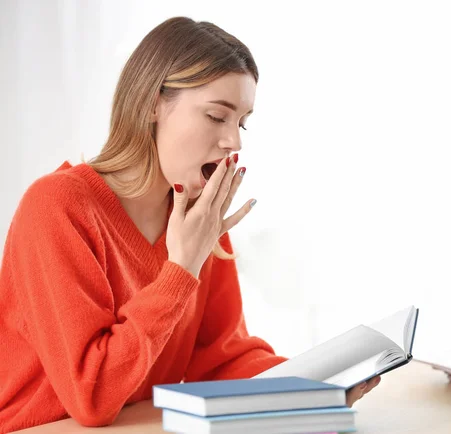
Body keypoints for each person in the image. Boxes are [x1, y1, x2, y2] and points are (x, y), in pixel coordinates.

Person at [0, 17, 380, 432]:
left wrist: (311, 383)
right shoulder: (58, 207)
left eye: (242, 122)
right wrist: (180, 269)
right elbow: (91, 397)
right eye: (218, 116)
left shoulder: (200, 219)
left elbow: (220, 358)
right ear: (151, 104)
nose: (234, 141)